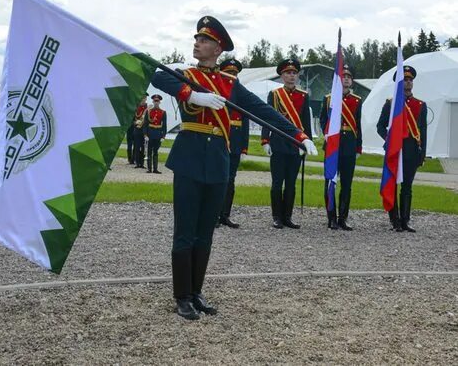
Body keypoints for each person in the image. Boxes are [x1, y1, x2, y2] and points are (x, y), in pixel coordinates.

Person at [152, 16, 317, 320]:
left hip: (218, 160)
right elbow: (158, 77)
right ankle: (182, 296)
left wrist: (299, 135)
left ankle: (197, 291)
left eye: (203, 40)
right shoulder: (186, 74)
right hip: (189, 157)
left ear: (217, 48)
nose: (197, 44)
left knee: (205, 233)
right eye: (197, 39)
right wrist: (193, 94)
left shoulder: (229, 83)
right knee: (185, 230)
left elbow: (263, 110)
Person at [262, 58, 313, 230]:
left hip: (296, 144)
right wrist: (265, 140)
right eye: (287, 73)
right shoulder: (275, 95)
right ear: (282, 76)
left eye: (294, 73)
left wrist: (307, 143)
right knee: (277, 182)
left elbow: (306, 121)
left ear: (297, 76)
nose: (291, 76)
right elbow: (267, 118)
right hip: (278, 142)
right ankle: (277, 217)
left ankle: (288, 217)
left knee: (291, 183)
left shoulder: (303, 96)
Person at [376, 65, 427, 232]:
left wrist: (422, 154)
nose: (408, 83)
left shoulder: (420, 105)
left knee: (407, 186)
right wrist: (389, 140)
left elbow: (423, 131)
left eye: (410, 80)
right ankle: (395, 221)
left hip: (412, 150)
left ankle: (405, 220)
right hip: (395, 150)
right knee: (393, 184)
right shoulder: (391, 104)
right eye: (404, 80)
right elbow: (380, 126)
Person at [319, 64, 362, 230]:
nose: (346, 79)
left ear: (352, 81)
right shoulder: (329, 98)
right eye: (343, 76)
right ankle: (331, 218)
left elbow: (358, 125)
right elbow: (323, 119)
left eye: (349, 77)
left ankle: (343, 218)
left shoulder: (357, 100)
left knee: (346, 184)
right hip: (333, 145)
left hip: (349, 145)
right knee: (330, 181)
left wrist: (358, 147)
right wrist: (328, 133)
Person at [217, 58, 248, 229]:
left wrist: (244, 147)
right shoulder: (218, 91)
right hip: (220, 138)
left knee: (231, 180)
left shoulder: (241, 94)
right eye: (229, 73)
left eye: (235, 74)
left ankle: (225, 215)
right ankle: (213, 215)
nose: (233, 76)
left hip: (235, 141)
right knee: (216, 179)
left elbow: (245, 122)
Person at [144, 94, 167, 174]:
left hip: (158, 134)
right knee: (149, 151)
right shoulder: (148, 111)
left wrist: (163, 136)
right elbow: (145, 124)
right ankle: (149, 168)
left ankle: (155, 169)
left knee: (156, 152)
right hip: (150, 133)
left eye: (157, 101)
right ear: (153, 101)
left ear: (159, 102)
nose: (156, 102)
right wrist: (145, 135)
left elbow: (164, 126)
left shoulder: (163, 112)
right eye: (155, 101)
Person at [131, 94, 149, 168]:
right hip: (137, 129)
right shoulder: (136, 107)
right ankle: (137, 163)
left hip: (144, 130)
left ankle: (142, 163)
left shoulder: (148, 108)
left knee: (144, 147)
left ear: (146, 99)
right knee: (137, 147)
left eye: (144, 98)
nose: (143, 99)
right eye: (142, 98)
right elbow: (132, 119)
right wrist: (135, 123)